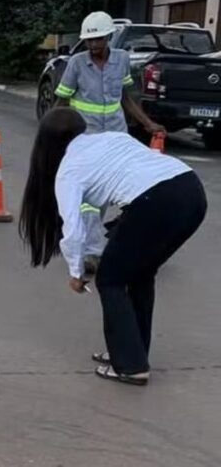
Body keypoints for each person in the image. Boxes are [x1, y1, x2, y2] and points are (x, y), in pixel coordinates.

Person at [19, 108, 206, 386]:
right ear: (81, 128)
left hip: (154, 201)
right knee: (140, 274)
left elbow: (72, 227)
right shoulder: (112, 138)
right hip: (191, 190)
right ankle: (132, 351)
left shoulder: (68, 169)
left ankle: (130, 366)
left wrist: (75, 270)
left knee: (110, 279)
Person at [54, 11, 166, 273]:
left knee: (119, 192)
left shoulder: (122, 60)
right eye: (89, 41)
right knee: (89, 197)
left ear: (109, 37)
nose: (93, 46)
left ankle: (109, 240)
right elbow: (62, 99)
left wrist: (148, 124)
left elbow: (126, 97)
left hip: (116, 136)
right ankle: (93, 252)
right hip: (86, 137)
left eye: (98, 40)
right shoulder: (77, 64)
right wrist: (53, 131)